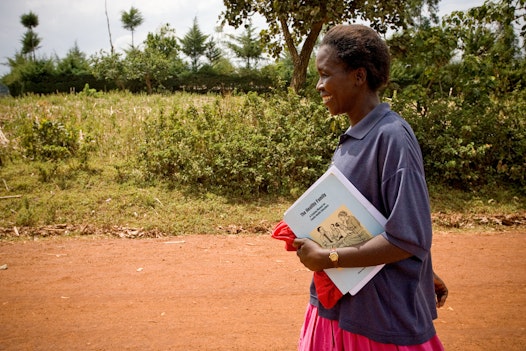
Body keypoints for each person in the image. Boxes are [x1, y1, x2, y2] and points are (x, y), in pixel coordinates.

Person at [291, 24, 448, 350]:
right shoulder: (354, 138)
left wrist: (328, 257)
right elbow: (383, 216)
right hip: (338, 308)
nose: (319, 85)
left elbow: (409, 235)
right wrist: (422, 273)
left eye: (325, 74)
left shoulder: (391, 137)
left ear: (359, 76)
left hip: (376, 320)